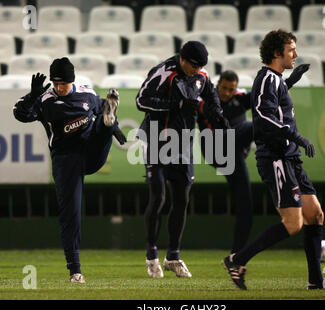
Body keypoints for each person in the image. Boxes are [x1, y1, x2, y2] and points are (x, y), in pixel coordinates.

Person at [222, 29, 325, 290]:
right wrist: (297, 137)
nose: (296, 54)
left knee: (314, 214)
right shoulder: (267, 78)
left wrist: (290, 81)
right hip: (276, 157)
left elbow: (273, 99)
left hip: (290, 156)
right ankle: (237, 260)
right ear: (277, 53)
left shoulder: (275, 78)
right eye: (291, 49)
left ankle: (316, 282)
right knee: (293, 223)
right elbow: (264, 117)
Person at [13, 57, 126, 283]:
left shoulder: (87, 94)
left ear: (71, 81)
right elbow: (19, 114)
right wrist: (32, 95)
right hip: (66, 160)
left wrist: (114, 128)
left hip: (91, 151)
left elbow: (103, 102)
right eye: (55, 83)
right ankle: (75, 271)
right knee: (70, 214)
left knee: (102, 123)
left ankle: (106, 123)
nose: (58, 87)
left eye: (63, 83)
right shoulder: (45, 100)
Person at [136, 41, 230, 278]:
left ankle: (173, 256)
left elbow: (211, 97)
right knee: (158, 196)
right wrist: (175, 105)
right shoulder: (163, 72)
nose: (197, 71)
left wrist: (218, 115)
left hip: (183, 143)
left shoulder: (202, 75)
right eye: (194, 66)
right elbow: (141, 100)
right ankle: (151, 255)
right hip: (157, 139)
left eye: (200, 67)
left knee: (182, 199)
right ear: (183, 60)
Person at [198, 67, 309, 253]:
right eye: (223, 88)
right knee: (256, 124)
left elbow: (267, 96)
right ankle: (279, 147)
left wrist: (289, 81)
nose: (226, 93)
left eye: (230, 90)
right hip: (215, 150)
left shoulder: (240, 98)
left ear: (235, 89)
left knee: (245, 207)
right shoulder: (206, 102)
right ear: (218, 85)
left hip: (233, 157)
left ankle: (236, 256)